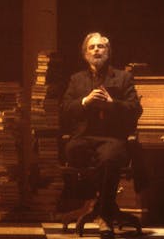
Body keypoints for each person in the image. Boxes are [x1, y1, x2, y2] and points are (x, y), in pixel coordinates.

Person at [61, 32, 142, 238]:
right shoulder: (76, 79)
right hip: (84, 138)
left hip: (112, 138)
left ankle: (104, 216)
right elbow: (64, 109)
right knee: (74, 151)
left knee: (109, 159)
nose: (96, 50)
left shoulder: (123, 77)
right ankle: (100, 204)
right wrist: (85, 101)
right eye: (92, 47)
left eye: (101, 47)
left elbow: (135, 109)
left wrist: (112, 104)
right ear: (85, 54)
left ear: (109, 52)